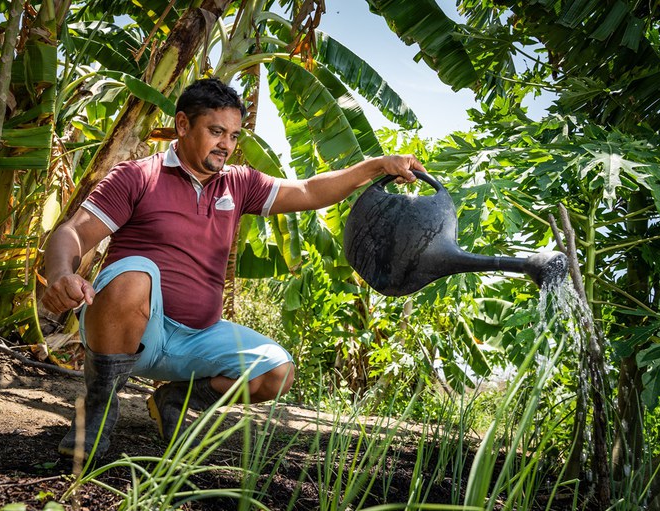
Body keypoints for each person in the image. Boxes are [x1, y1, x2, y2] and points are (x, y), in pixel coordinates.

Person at [41, 78, 425, 460]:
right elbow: (72, 232)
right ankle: (97, 413)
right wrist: (61, 274)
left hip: (197, 338)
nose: (226, 144)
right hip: (128, 331)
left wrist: (375, 166)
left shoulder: (238, 184)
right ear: (182, 125)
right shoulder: (139, 176)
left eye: (234, 135)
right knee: (135, 273)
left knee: (276, 372)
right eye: (216, 131)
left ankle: (174, 399)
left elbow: (308, 191)